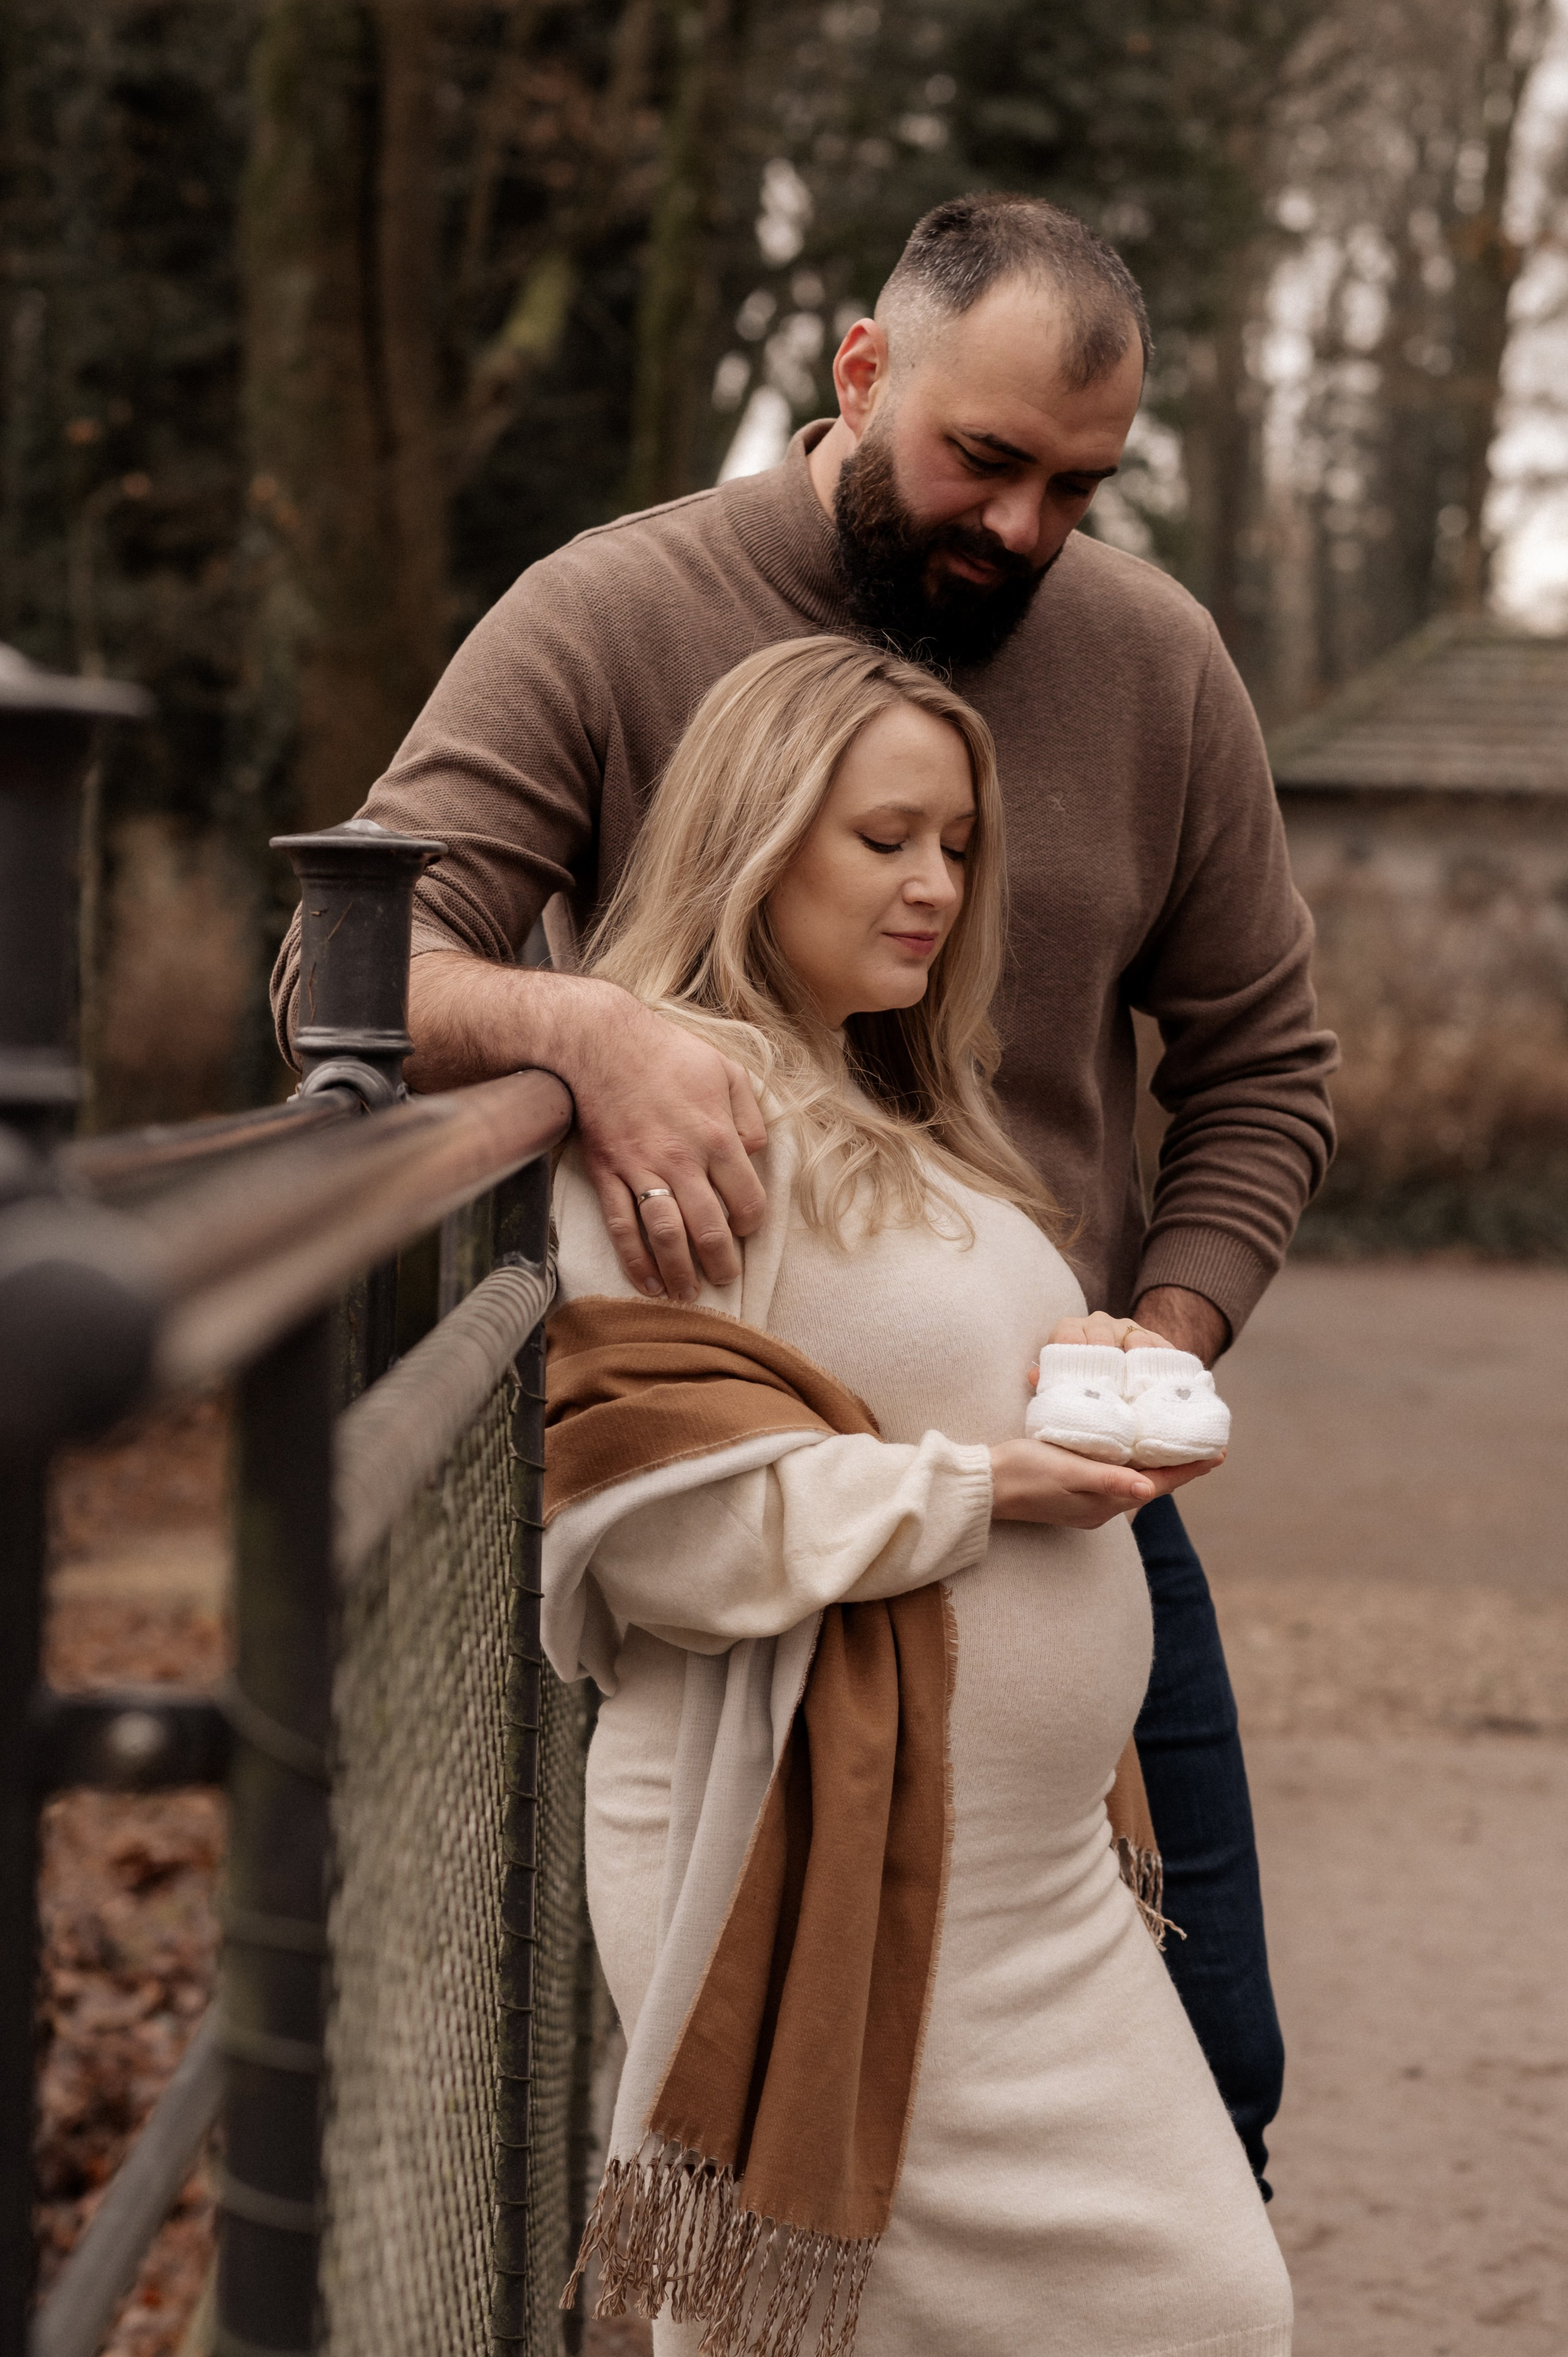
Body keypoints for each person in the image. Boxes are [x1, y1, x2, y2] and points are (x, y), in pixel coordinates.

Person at [272, 192, 1337, 2185]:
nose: (1023, 526)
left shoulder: (1159, 663)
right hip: (745, 1500)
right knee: (789, 2126)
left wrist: (1159, 1333)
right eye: (984, 457)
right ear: (861, 371)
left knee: (1217, 2086)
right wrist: (585, 1032)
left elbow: (1266, 1070)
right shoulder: (607, 612)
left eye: (1077, 489)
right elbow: (345, 982)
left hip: (1075, 1483)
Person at [542, 633, 1292, 2357]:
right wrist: (983, 1486)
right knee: (1177, 2312)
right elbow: (648, 1521)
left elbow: (913, 1386)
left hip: (1019, 1882)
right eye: (886, 839)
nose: (938, 885)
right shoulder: (683, 1117)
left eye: (957, 844)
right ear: (755, 836)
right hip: (818, 1867)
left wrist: (1097, 1364)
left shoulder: (881, 1103)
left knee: (1201, 2304)